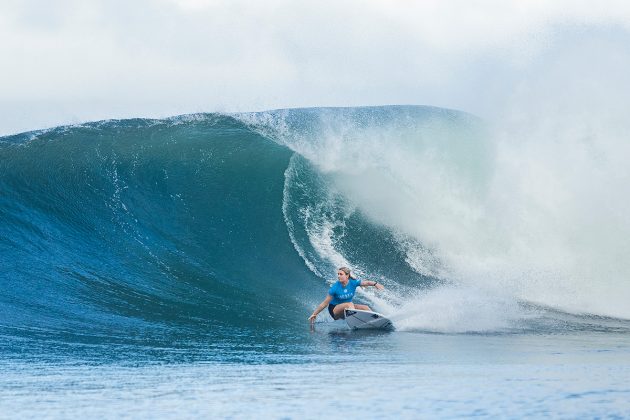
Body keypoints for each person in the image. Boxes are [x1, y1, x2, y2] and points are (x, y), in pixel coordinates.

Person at [308, 266, 384, 323]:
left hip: (348, 309)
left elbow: (366, 283)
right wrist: (314, 314)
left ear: (347, 276)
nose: (338, 276)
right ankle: (355, 320)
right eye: (338, 274)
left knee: (365, 307)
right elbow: (324, 303)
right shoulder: (335, 288)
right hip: (334, 310)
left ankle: (374, 321)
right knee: (349, 304)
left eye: (341, 274)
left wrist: (375, 284)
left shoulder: (353, 282)